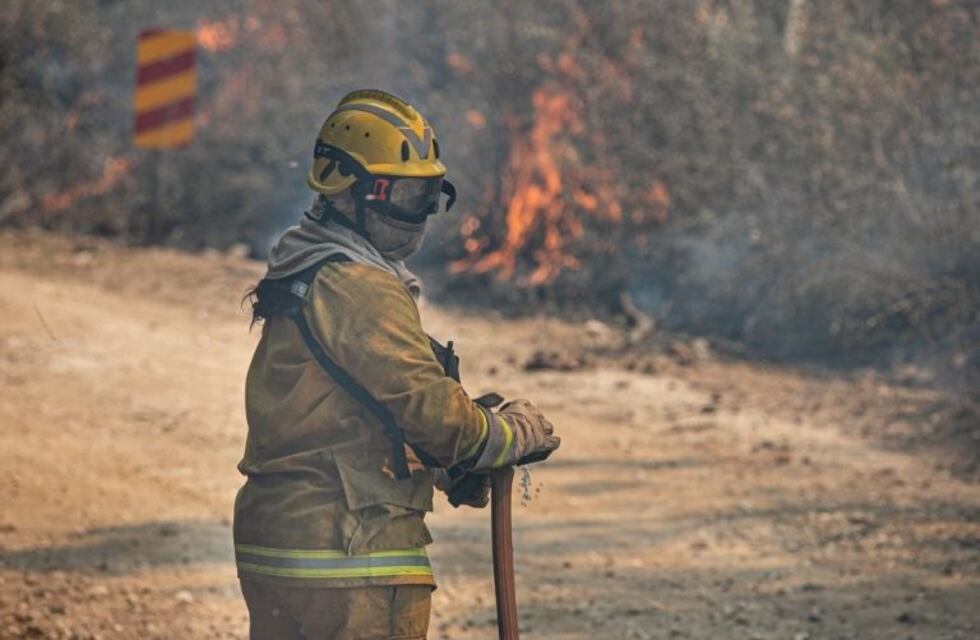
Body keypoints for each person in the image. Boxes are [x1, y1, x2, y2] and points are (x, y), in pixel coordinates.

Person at [234, 89, 561, 640]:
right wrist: (509, 432)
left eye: (430, 195)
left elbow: (345, 413)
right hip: (352, 552)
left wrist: (441, 466)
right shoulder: (361, 287)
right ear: (348, 194)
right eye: (406, 196)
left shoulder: (305, 266)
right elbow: (441, 419)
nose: (422, 215)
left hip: (280, 545)